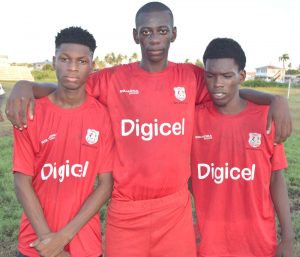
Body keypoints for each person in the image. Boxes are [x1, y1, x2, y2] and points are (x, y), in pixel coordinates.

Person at [6, 2, 292, 257]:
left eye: (162, 31)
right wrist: (26, 86)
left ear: (174, 33)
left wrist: (274, 99)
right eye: (146, 32)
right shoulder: (113, 79)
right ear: (135, 36)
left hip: (174, 208)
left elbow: (231, 90)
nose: (154, 39)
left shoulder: (190, 77)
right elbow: (68, 86)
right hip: (126, 209)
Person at [13, 27, 114, 257]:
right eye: (65, 59)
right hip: (36, 241)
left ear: (92, 65)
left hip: (84, 243)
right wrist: (48, 241)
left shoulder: (103, 116)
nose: (72, 68)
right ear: (53, 61)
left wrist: (63, 238)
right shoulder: (31, 112)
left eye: (82, 61)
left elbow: (106, 185)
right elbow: (21, 182)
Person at [191, 38, 295, 257]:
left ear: (241, 77)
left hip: (259, 243)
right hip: (209, 245)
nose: (217, 83)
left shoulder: (266, 119)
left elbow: (277, 179)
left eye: (227, 76)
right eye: (210, 76)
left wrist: (287, 237)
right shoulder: (193, 119)